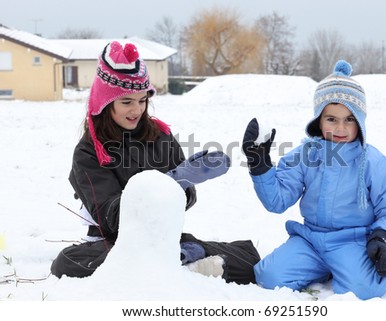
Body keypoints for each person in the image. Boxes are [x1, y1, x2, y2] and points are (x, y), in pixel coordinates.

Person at [51, 41, 260, 284]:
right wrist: (168, 183)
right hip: (113, 242)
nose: (137, 110)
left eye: (142, 100)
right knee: (67, 262)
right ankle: (183, 260)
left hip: (163, 235)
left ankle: (179, 256)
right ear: (106, 103)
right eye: (126, 102)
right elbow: (110, 218)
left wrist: (185, 183)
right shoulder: (88, 153)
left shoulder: (160, 136)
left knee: (248, 258)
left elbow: (187, 200)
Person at [242, 60, 386, 300]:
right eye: (331, 119)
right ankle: (322, 267)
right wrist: (260, 165)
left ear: (360, 120)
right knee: (269, 277)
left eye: (350, 119)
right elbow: (276, 202)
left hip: (353, 243)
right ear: (318, 121)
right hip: (310, 240)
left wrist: (380, 237)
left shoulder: (374, 163)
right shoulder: (304, 155)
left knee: (363, 289)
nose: (341, 127)